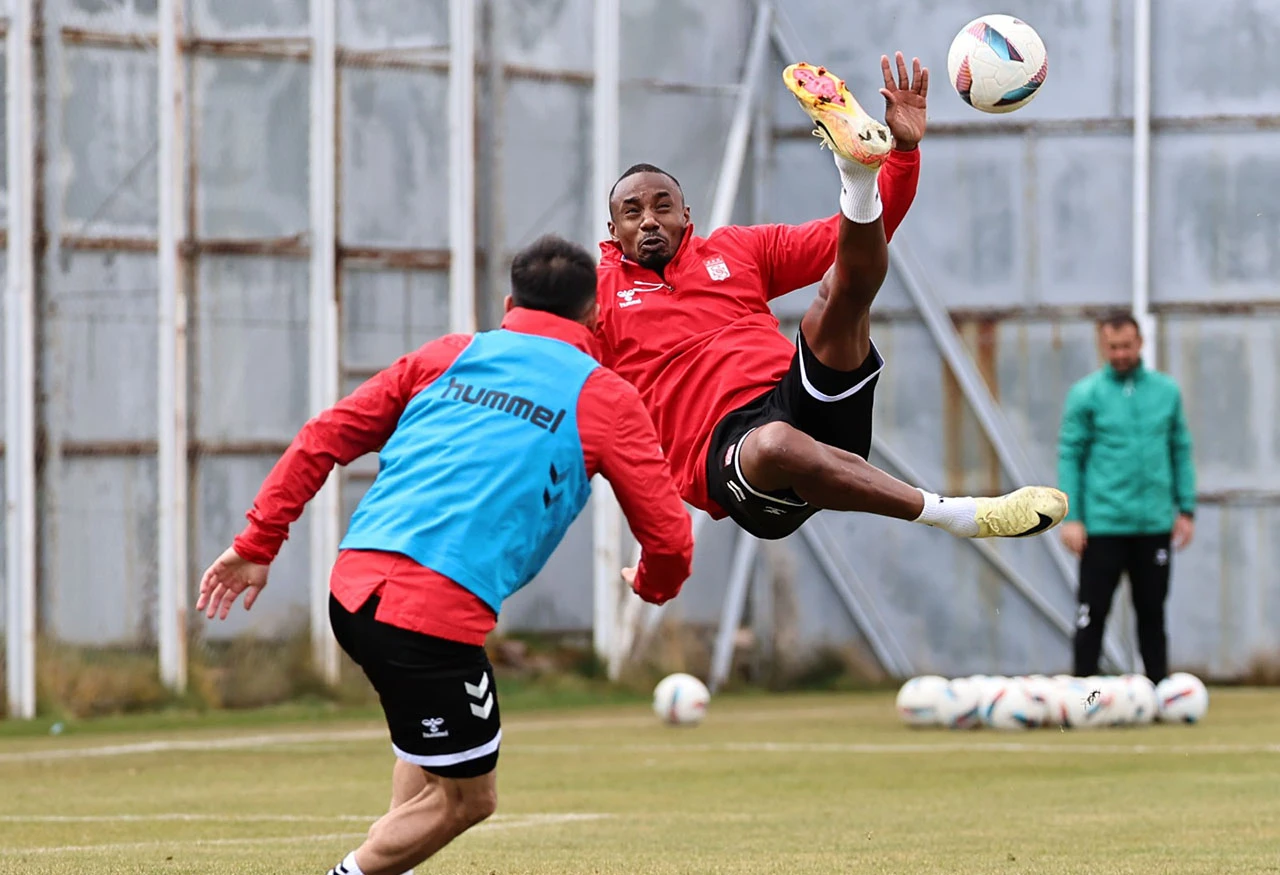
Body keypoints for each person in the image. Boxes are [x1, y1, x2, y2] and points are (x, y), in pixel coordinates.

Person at [195, 235, 694, 875]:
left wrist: (256, 543)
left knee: (430, 764)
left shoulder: (449, 355)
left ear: (509, 302)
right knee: (468, 799)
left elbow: (324, 437)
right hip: (428, 618)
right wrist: (653, 583)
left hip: (354, 589)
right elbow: (670, 537)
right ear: (596, 314)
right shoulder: (605, 397)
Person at [595, 54, 1067, 544]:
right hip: (730, 458)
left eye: (662, 206)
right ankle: (959, 515)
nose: (649, 219)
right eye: (633, 212)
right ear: (614, 230)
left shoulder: (734, 251)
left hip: (801, 401)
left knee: (840, 290)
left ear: (686, 215)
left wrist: (902, 155)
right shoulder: (596, 296)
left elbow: (842, 239)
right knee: (777, 444)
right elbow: (542, 364)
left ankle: (856, 176)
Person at [1057, 312, 1196, 682]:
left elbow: (1179, 449)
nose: (1119, 354)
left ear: (1140, 344)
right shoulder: (1086, 394)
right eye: (1112, 347)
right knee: (1092, 612)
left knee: (1152, 614)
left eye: (1126, 346)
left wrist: (1186, 509)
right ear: (1104, 346)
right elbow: (1071, 455)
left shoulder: (1166, 392)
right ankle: (1082, 695)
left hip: (1152, 524)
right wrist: (1071, 517)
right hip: (1103, 524)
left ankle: (1157, 693)